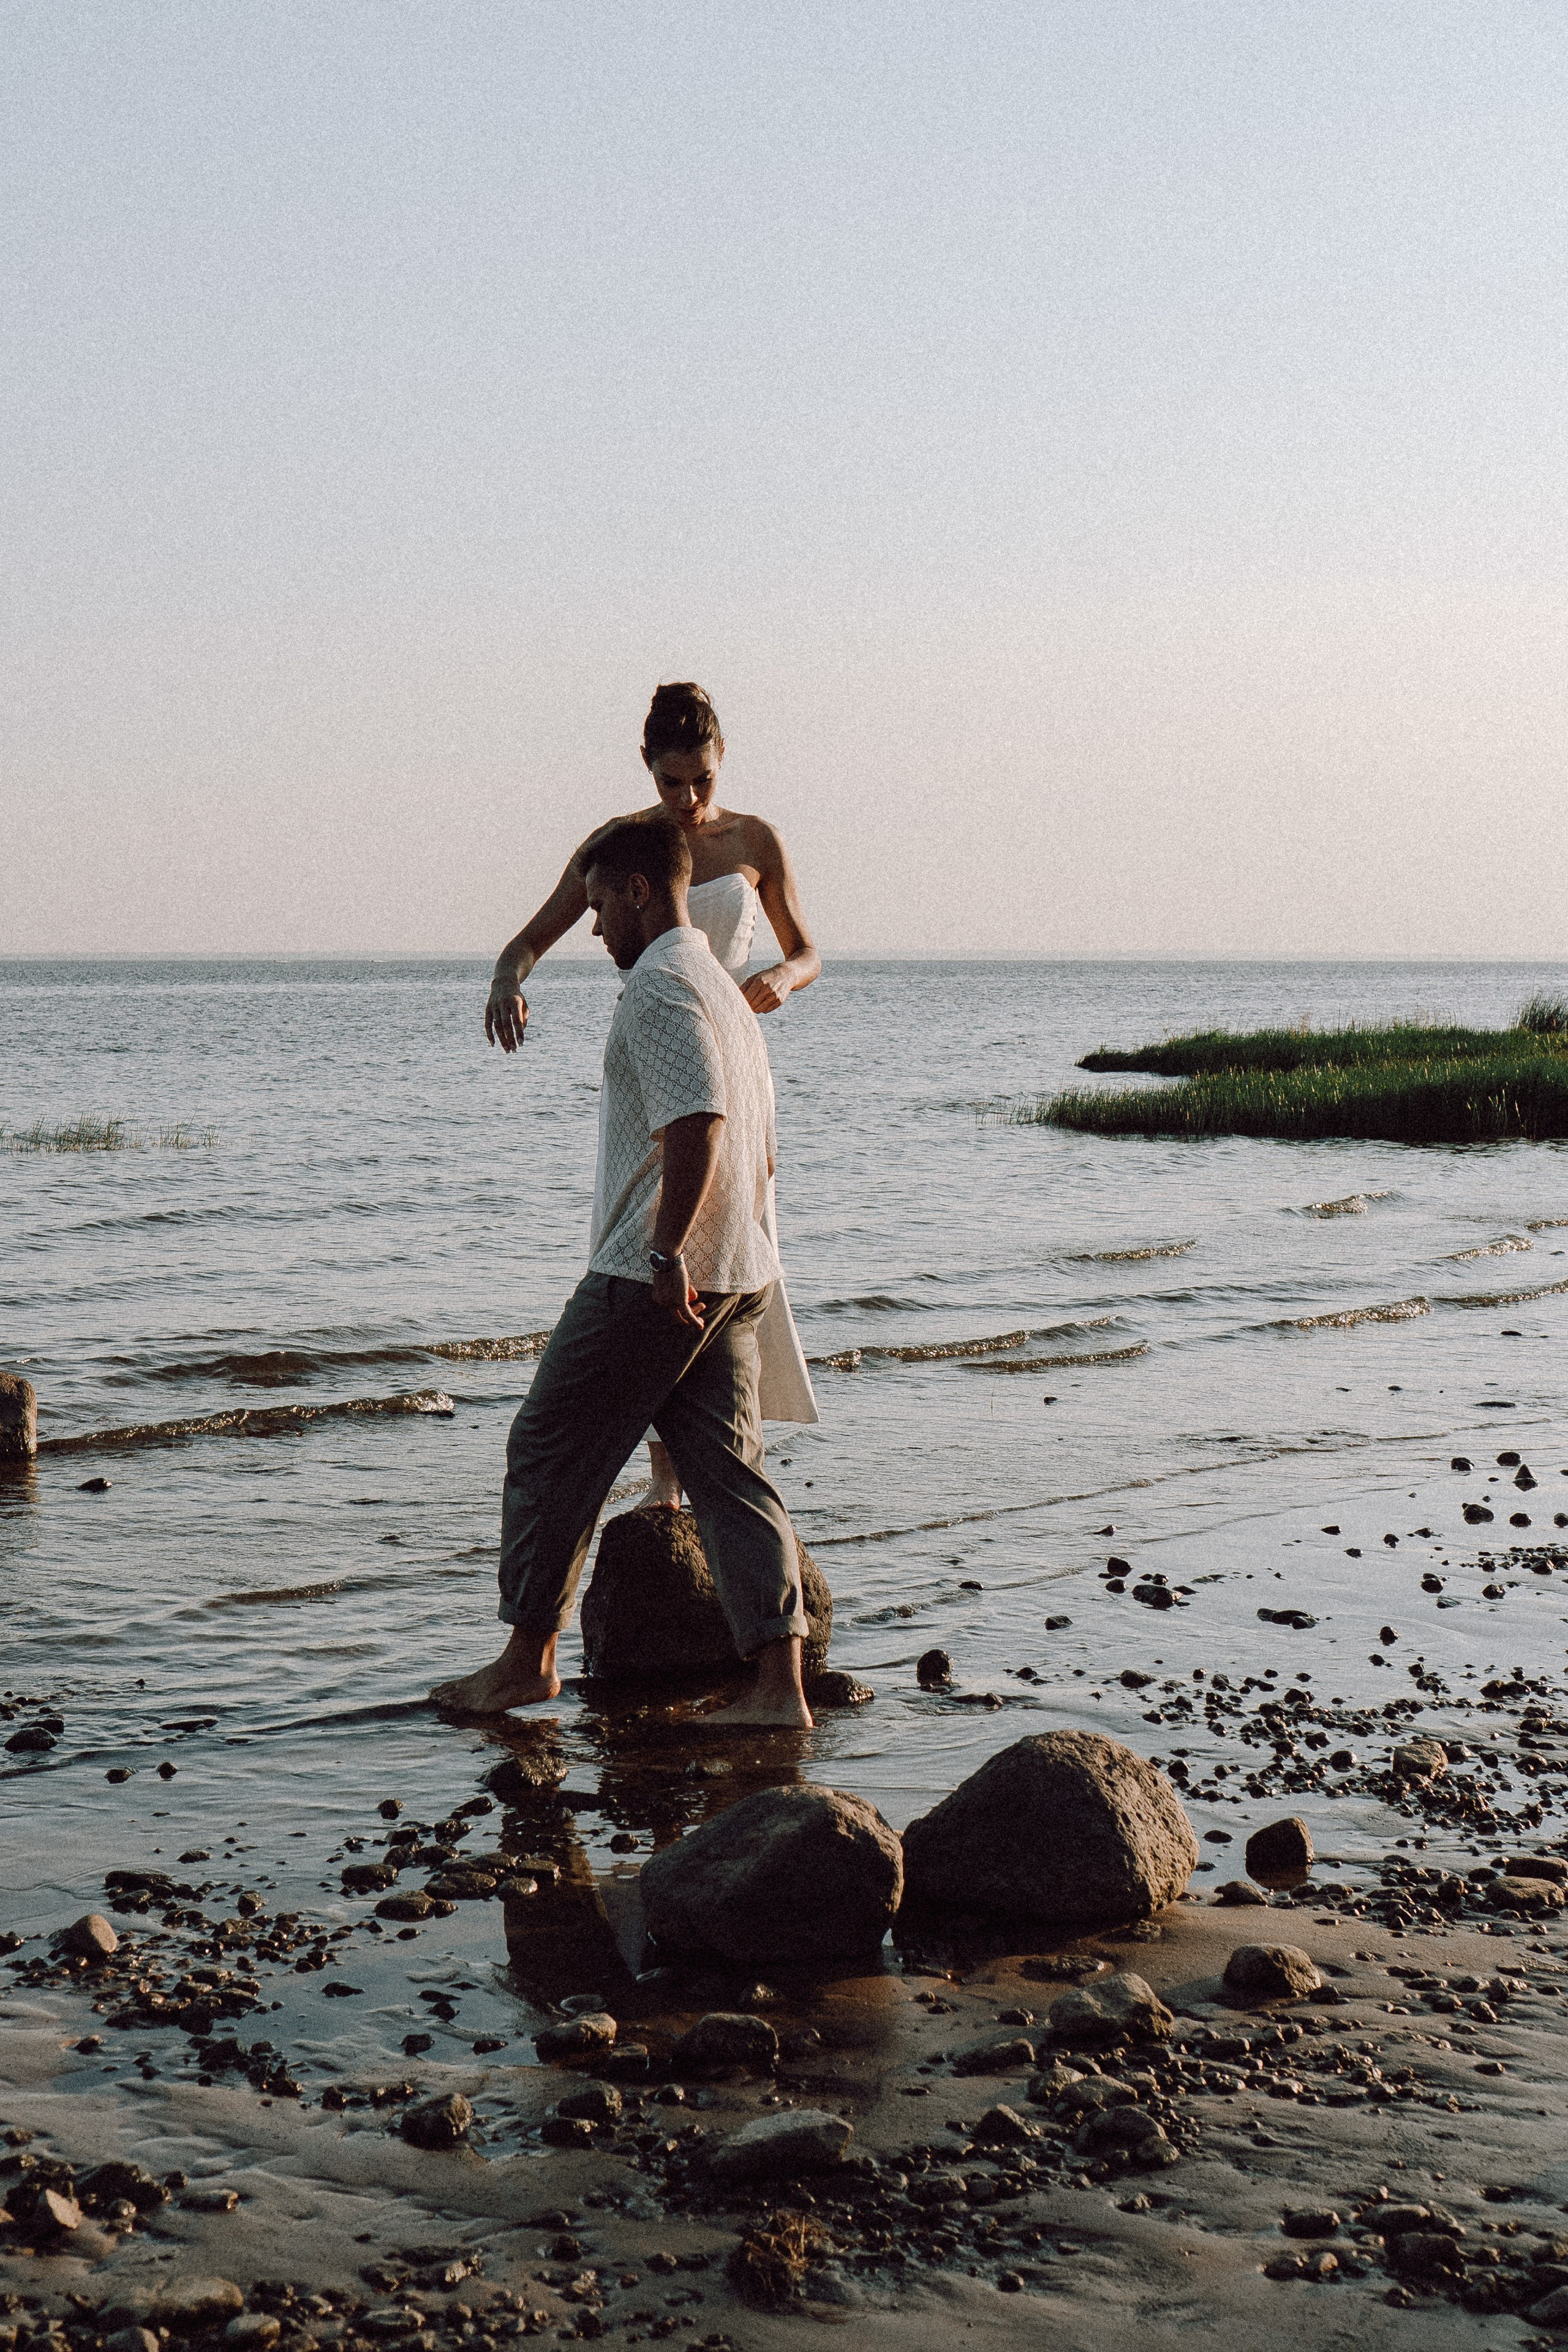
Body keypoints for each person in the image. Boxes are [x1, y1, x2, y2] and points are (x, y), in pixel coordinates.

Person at [431, 816, 814, 1728]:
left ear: (640, 892)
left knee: (548, 1450)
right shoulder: (724, 990)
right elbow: (759, 1147)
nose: (594, 926)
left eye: (600, 903)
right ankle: (779, 1688)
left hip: (655, 1281)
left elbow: (701, 1124)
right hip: (738, 1271)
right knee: (728, 1474)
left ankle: (528, 1662)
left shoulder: (660, 986)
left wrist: (664, 1253)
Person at [484, 682, 819, 1510]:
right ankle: (667, 1475)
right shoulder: (627, 847)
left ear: (722, 758)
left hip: (737, 1054)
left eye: (701, 778)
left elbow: (810, 951)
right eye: (673, 782)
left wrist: (782, 975)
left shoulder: (755, 839)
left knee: (731, 1246)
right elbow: (535, 935)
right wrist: (506, 979)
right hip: (659, 1058)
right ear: (648, 769)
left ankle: (725, 1454)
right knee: (647, 1244)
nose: (690, 798)